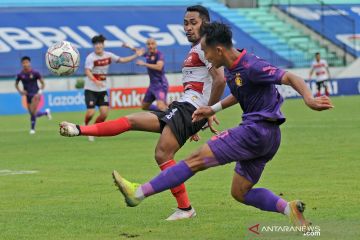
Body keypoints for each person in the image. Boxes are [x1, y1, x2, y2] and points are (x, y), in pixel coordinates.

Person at [110, 22, 333, 229]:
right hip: (269, 137)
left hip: (255, 130)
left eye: (206, 51)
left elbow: (291, 77)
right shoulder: (230, 67)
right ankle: (289, 210)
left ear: (218, 50)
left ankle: (137, 193)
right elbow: (239, 92)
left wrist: (309, 99)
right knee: (240, 192)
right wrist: (213, 109)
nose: (204, 56)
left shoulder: (251, 65)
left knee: (194, 160)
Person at [59, 5, 226, 220]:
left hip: (190, 109)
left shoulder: (206, 46)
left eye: (193, 22)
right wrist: (201, 117)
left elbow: (220, 79)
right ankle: (77, 129)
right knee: (131, 120)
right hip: (183, 108)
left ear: (206, 24)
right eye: (185, 23)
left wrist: (207, 111)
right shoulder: (195, 49)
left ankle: (182, 207)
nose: (188, 27)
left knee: (163, 153)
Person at [84, 34, 145, 141]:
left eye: (100, 44)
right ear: (94, 46)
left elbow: (122, 60)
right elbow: (87, 71)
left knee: (104, 113)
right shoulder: (91, 58)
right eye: (96, 44)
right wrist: (95, 81)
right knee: (91, 112)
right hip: (90, 89)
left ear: (103, 45)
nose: (98, 46)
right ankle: (86, 125)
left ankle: (92, 130)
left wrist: (136, 55)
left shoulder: (108, 55)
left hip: (102, 89)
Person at [15, 56, 51, 134]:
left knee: (33, 112)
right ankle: (46, 113)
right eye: (24, 63)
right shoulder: (20, 74)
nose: (25, 64)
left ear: (29, 63)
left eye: (27, 62)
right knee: (32, 113)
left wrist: (39, 92)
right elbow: (16, 84)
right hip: (27, 95)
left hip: (36, 95)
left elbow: (43, 83)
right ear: (21, 64)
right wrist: (20, 91)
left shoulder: (35, 73)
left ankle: (32, 129)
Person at [136, 38, 168, 111]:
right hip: (152, 85)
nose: (150, 46)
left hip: (161, 85)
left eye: (152, 44)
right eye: (148, 44)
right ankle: (166, 109)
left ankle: (168, 115)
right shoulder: (148, 54)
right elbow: (138, 52)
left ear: (156, 45)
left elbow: (159, 67)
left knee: (161, 106)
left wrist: (144, 64)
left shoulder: (159, 54)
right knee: (144, 106)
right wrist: (129, 46)